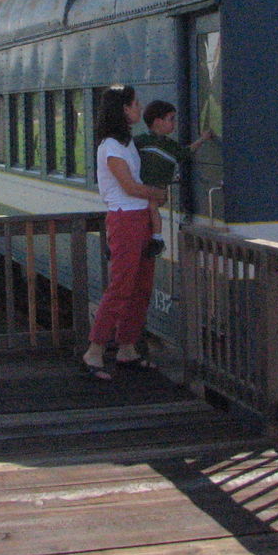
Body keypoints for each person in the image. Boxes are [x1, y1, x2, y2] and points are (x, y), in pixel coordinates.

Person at [81, 85, 167, 380]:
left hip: (140, 216)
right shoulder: (110, 147)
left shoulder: (127, 143)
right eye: (134, 104)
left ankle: (126, 348)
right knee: (120, 286)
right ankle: (94, 351)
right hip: (124, 220)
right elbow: (128, 187)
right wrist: (156, 193)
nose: (139, 108)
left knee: (142, 286)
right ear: (122, 109)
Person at [135, 100, 214, 257]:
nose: (174, 124)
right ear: (158, 122)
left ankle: (157, 239)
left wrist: (203, 139)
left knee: (152, 207)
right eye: (171, 119)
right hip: (143, 188)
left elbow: (184, 153)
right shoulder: (141, 141)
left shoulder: (170, 145)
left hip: (157, 189)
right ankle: (154, 239)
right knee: (149, 209)